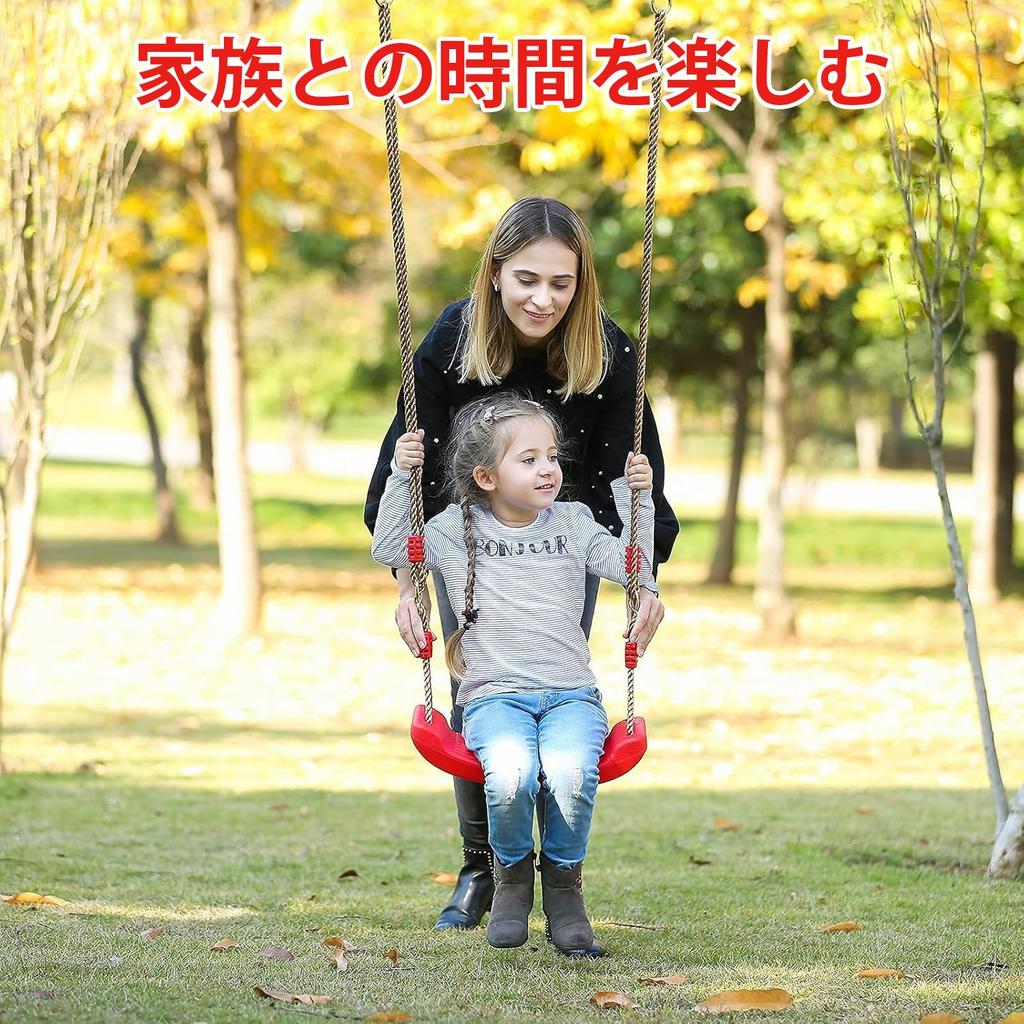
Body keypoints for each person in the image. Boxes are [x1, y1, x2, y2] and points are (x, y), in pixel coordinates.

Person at [363, 195, 679, 930]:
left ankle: (559, 873)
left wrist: (642, 584)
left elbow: (634, 472)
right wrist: (408, 585)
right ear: (496, 272)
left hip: (569, 539)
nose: (543, 298)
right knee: (482, 685)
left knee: (553, 678)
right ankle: (486, 867)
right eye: (526, 279)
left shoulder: (608, 351)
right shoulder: (453, 338)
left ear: (581, 283)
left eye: (561, 283)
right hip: (466, 542)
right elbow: (409, 465)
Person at [371, 392, 656, 956]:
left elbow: (632, 567)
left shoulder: (573, 522)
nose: (547, 468)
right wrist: (400, 481)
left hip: (571, 695)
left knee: (573, 774)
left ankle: (566, 893)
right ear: (485, 476)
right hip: (494, 698)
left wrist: (637, 499)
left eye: (551, 456)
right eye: (528, 460)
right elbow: (389, 548)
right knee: (510, 774)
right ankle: (510, 883)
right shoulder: (455, 530)